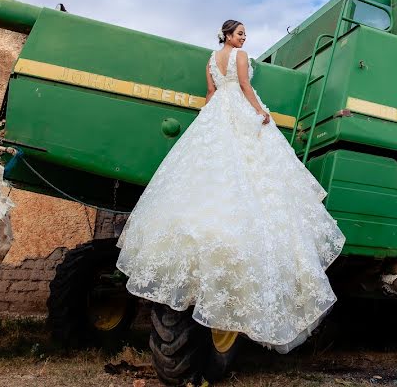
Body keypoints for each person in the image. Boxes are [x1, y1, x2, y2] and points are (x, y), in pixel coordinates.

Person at [116, 20, 346, 353]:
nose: (243, 38)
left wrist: (206, 123)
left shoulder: (211, 59)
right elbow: (244, 88)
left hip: (215, 113)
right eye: (239, 33)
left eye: (244, 34)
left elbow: (211, 94)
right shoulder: (241, 56)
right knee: (253, 170)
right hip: (237, 107)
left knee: (211, 169)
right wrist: (260, 112)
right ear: (228, 35)